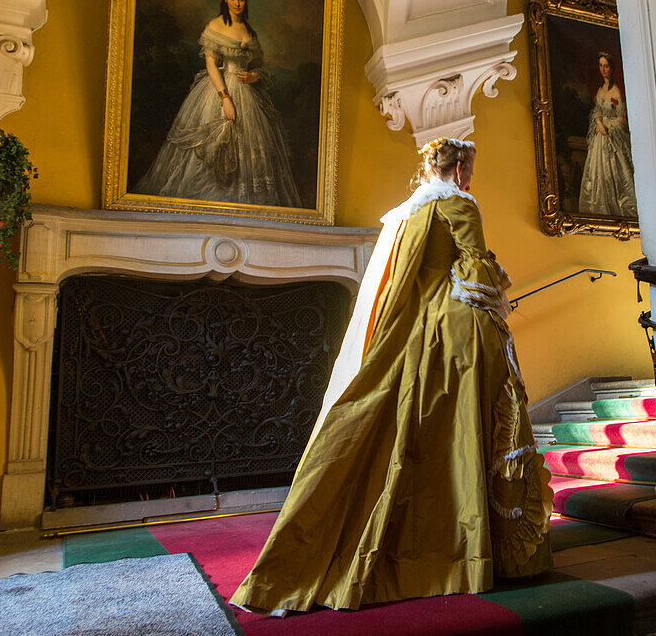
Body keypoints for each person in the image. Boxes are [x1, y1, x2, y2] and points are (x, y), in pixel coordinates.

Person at [231, 138, 553, 615]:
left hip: (411, 332)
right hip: (455, 332)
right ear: (460, 167)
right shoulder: (459, 202)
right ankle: (470, 550)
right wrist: (498, 279)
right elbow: (476, 271)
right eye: (470, 169)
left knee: (405, 429)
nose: (471, 178)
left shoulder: (406, 211)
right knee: (467, 430)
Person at [135, 0, 301, 208]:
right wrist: (225, 98)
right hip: (220, 91)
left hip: (249, 97)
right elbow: (211, 64)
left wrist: (254, 76)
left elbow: (258, 66)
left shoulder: (249, 31)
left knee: (252, 157)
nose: (237, 3)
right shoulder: (216, 26)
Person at [577, 51, 637, 217]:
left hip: (612, 136)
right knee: (597, 174)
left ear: (612, 68)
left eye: (606, 66)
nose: (603, 69)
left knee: (617, 174)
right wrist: (598, 123)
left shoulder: (616, 90)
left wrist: (607, 128)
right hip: (599, 136)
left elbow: (621, 119)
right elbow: (597, 111)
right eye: (601, 66)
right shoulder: (600, 89)